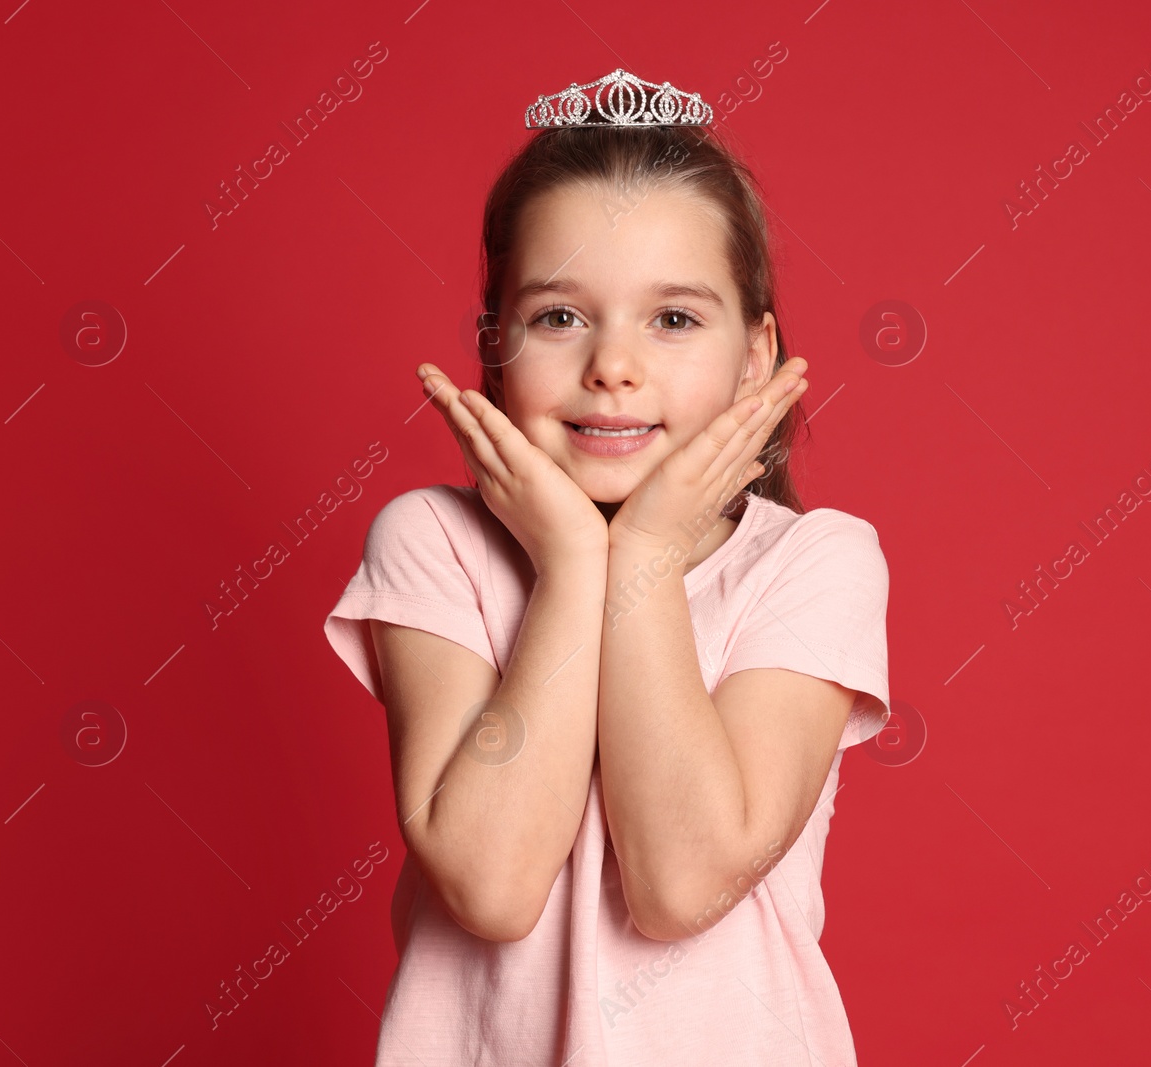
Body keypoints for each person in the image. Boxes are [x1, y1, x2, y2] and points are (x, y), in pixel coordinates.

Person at [323, 68, 892, 1066]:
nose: (611, 366)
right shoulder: (430, 541)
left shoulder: (816, 560)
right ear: (495, 344)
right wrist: (576, 565)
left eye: (672, 318)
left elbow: (681, 882)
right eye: (558, 317)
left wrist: (646, 554)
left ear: (755, 355)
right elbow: (492, 886)